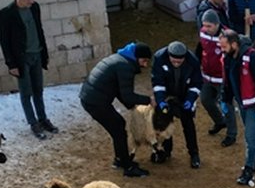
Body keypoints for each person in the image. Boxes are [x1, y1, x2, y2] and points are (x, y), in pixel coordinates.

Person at [79, 42, 153, 178]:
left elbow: (120, 90)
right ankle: (127, 167)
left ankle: (120, 159)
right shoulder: (126, 67)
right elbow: (128, 95)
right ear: (136, 58)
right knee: (118, 128)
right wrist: (149, 100)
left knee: (117, 126)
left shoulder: (119, 59)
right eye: (144, 61)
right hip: (96, 102)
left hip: (90, 97)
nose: (145, 65)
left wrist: (131, 106)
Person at [0, 0, 56, 139]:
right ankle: (33, 123)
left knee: (38, 90)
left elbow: (39, 29)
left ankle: (43, 119)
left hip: (36, 54)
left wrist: (44, 53)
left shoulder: (35, 8)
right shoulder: (6, 13)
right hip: (21, 59)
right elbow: (4, 41)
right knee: (26, 92)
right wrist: (11, 64)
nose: (31, 1)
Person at [219, 31, 255, 187]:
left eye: (224, 46)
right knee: (252, 133)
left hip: (253, 104)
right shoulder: (228, 58)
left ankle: (249, 169)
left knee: (249, 138)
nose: (222, 50)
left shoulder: (252, 57)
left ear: (234, 44)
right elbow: (227, 82)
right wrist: (225, 100)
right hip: (242, 103)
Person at [151, 41, 204, 169]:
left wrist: (190, 99)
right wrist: (161, 100)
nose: (176, 64)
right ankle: (165, 150)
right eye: (173, 61)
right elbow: (157, 82)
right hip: (167, 96)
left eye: (179, 62)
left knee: (188, 125)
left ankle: (194, 154)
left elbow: (196, 83)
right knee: (164, 124)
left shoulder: (193, 62)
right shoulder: (159, 58)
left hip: (184, 96)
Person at [195, 9, 236, 144]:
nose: (205, 29)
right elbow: (201, 48)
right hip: (207, 76)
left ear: (217, 24)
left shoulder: (227, 36)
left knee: (227, 105)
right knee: (206, 100)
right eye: (204, 25)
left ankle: (231, 133)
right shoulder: (202, 33)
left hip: (222, 79)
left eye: (209, 26)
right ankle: (219, 121)